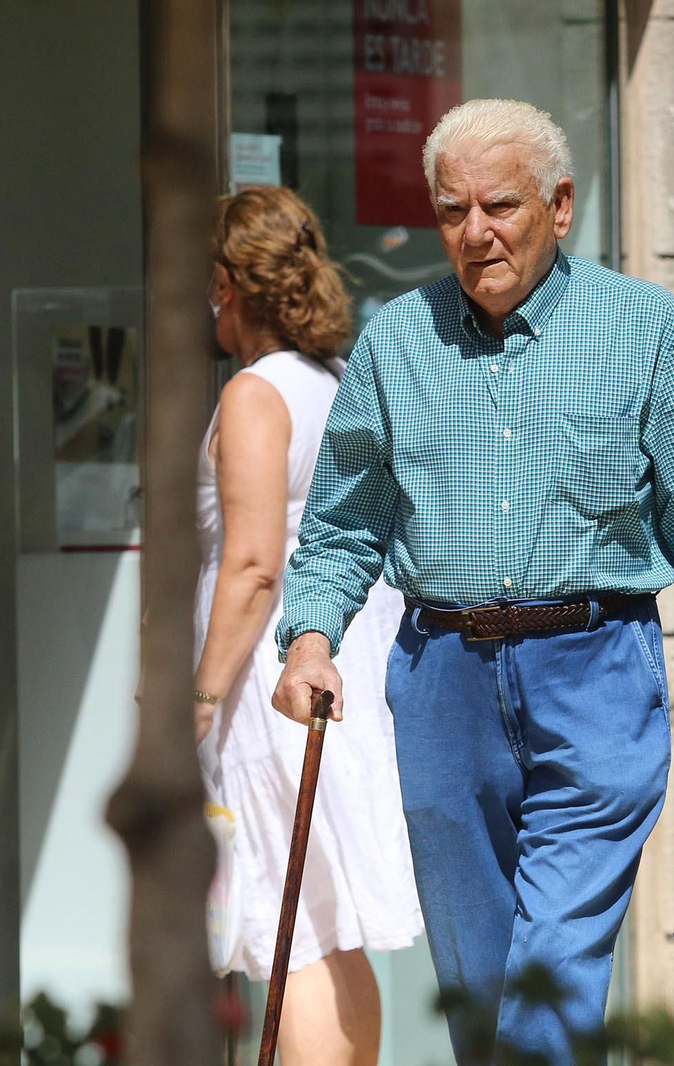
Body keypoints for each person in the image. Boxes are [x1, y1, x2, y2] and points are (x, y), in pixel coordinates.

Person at [270, 98, 674, 1065]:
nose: (475, 232)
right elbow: (342, 520)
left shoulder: (646, 331)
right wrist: (309, 638)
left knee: (553, 969)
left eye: (499, 205)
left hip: (595, 673)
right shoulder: (396, 341)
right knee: (480, 983)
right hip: (441, 681)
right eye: (452, 211)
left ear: (562, 204)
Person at [193, 186, 422, 1066]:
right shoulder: (330, 381)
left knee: (289, 931)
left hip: (269, 681)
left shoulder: (257, 393)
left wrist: (199, 696)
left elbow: (254, 566)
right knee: (326, 920)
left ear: (226, 282)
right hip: (337, 663)